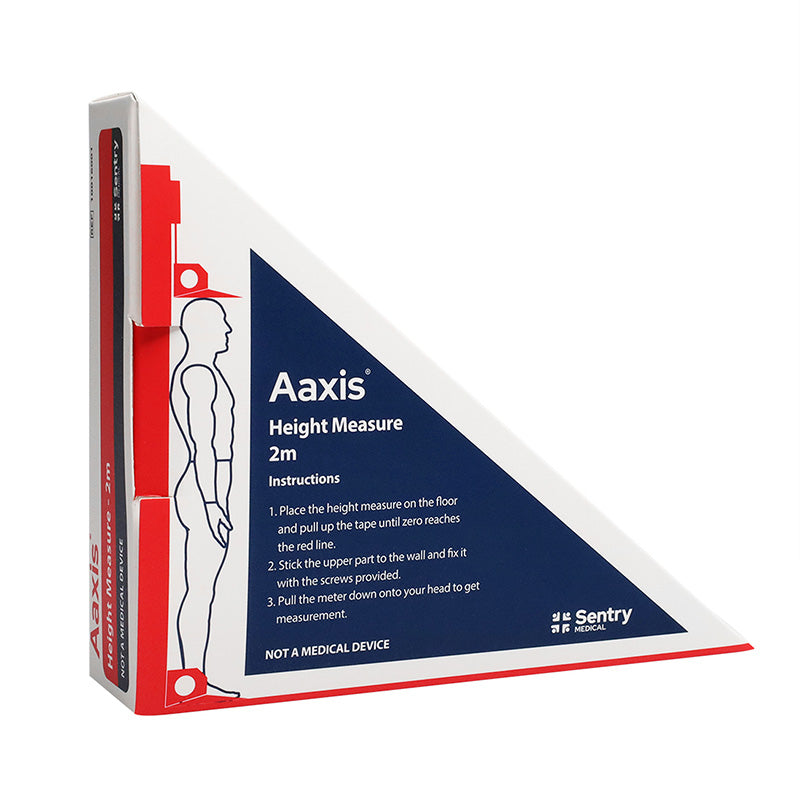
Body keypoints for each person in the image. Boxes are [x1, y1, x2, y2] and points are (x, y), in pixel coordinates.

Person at [170, 298, 239, 697]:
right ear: (200, 329)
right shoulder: (198, 374)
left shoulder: (205, 371)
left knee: (204, 589)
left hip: (210, 487)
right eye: (221, 323)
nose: (228, 329)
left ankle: (195, 677)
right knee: (200, 589)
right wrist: (212, 504)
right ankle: (193, 680)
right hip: (202, 490)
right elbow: (203, 446)